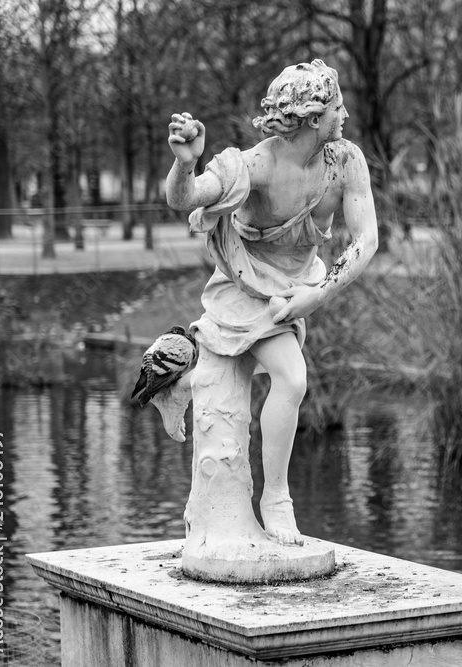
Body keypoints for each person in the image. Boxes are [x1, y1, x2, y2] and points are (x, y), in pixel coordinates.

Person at [165, 60, 378, 547]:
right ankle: (276, 499)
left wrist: (317, 295)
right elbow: (186, 198)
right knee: (292, 377)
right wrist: (185, 161)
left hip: (296, 286)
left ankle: (180, 382)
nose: (343, 114)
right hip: (244, 287)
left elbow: (367, 240)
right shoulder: (257, 164)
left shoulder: (345, 161)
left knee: (276, 377)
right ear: (310, 118)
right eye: (335, 107)